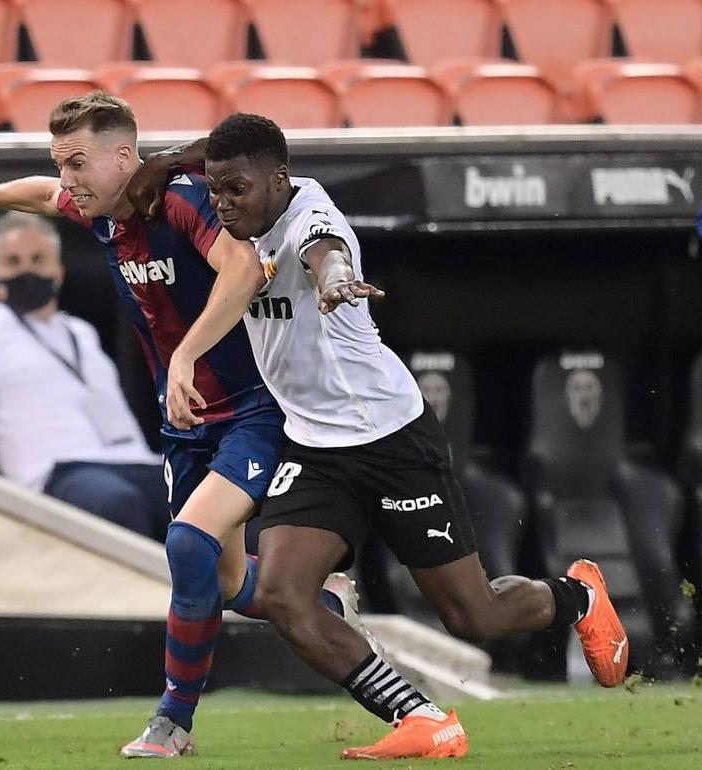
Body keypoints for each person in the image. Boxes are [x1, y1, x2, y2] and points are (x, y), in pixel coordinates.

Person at [140, 113, 629, 760]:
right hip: (314, 447)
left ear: (279, 181)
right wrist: (167, 160)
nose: (225, 206)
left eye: (238, 192)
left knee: (472, 615)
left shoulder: (314, 222)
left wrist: (337, 280)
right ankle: (421, 715)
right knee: (286, 597)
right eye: (218, 190)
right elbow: (215, 150)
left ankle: (580, 596)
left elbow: (327, 254)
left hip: (391, 440)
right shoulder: (244, 192)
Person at [0, 93, 352, 758]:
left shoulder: (179, 199)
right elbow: (40, 195)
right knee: (233, 585)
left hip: (254, 409)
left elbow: (243, 268)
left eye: (77, 163)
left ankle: (172, 723)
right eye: (61, 162)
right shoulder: (103, 215)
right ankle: (323, 604)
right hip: (186, 425)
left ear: (125, 157)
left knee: (187, 547)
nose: (67, 178)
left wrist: (186, 354)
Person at [0, 211, 170, 541]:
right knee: (117, 505)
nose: (26, 270)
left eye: (38, 259)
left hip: (134, 460)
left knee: (211, 499)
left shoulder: (81, 332)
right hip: (60, 473)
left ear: (59, 271)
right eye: (13, 261)